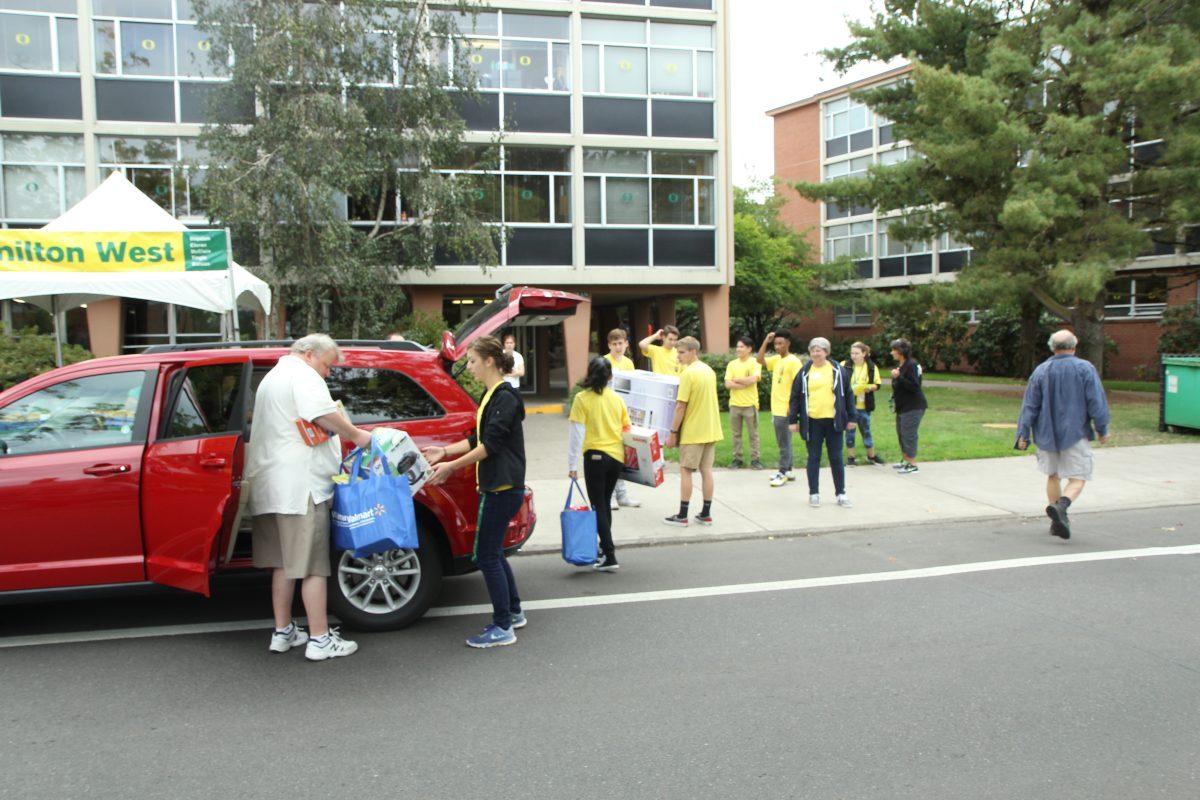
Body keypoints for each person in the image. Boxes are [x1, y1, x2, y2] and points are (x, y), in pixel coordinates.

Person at [246, 334, 373, 661]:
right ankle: (319, 639)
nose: (328, 373)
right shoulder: (302, 375)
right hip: (302, 487)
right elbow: (320, 413)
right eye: (327, 364)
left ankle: (283, 631)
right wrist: (357, 435)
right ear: (307, 353)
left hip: (270, 485)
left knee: (283, 563)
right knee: (314, 566)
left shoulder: (272, 378)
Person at [424, 336, 527, 648]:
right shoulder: (492, 394)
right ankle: (513, 612)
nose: (468, 367)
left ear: (490, 362)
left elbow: (490, 446)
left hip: (503, 486)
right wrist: (444, 452)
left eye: (471, 361)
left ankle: (502, 626)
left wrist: (452, 467)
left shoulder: (506, 398)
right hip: (498, 485)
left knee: (485, 555)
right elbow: (476, 438)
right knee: (492, 552)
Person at [1016, 330, 1111, 540]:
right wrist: (1102, 428)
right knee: (1078, 477)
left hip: (1045, 434)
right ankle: (1062, 506)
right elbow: (1096, 401)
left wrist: (1023, 433)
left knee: (1053, 475)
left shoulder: (1041, 371)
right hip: (1075, 433)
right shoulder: (1085, 369)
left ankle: (1057, 521)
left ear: (1053, 347)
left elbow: (1029, 406)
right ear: (1074, 346)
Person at [568, 357, 632, 571]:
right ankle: (605, 549)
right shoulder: (617, 399)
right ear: (610, 377)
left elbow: (576, 435)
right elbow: (627, 429)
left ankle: (610, 556)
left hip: (595, 457)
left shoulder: (581, 399)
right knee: (604, 503)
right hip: (616, 458)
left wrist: (572, 466)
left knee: (598, 506)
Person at [788, 337, 856, 508]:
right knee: (814, 457)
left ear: (826, 352)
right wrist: (793, 420)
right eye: (812, 350)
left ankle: (841, 493)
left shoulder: (839, 371)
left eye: (819, 350)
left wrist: (852, 417)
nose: (815, 353)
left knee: (836, 457)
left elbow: (848, 395)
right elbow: (795, 396)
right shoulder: (804, 372)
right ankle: (814, 493)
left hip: (834, 421)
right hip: (812, 422)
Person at [663, 337, 722, 527]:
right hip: (711, 429)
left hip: (694, 431)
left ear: (693, 351)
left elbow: (681, 406)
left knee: (686, 471)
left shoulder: (688, 374)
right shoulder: (708, 371)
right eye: (677, 352)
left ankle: (682, 515)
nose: (678, 356)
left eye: (681, 352)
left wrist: (673, 432)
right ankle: (706, 513)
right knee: (706, 471)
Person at [758, 330, 803, 487]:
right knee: (785, 440)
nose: (777, 347)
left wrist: (793, 407)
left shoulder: (794, 362)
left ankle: (783, 472)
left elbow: (799, 387)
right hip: (776, 408)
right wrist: (766, 341)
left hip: (785, 409)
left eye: (780, 343)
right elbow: (760, 360)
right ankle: (788, 470)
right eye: (775, 344)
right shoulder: (777, 359)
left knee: (783, 442)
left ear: (788, 344)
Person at [603, 328, 641, 510]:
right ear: (609, 345)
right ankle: (609, 495)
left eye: (621, 343)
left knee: (622, 457)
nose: (618, 347)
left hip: (623, 415)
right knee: (610, 456)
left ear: (626, 343)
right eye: (614, 344)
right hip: (607, 416)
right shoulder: (604, 362)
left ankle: (623, 495)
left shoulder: (628, 363)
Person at [889, 338, 928, 474]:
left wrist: (899, 377)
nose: (891, 353)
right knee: (901, 433)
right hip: (902, 406)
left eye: (893, 350)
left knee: (909, 434)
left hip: (913, 406)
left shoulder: (912, 365)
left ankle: (912, 464)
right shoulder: (902, 365)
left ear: (900, 351)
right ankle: (905, 460)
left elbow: (914, 386)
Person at [724, 335, 763, 469]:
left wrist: (737, 379)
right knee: (736, 435)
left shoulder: (755, 362)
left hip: (750, 405)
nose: (738, 349)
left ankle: (755, 460)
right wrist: (743, 382)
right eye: (738, 346)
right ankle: (737, 459)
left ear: (749, 349)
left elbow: (753, 379)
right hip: (735, 404)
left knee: (753, 434)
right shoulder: (732, 364)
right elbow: (728, 384)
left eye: (741, 347)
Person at [842, 341, 884, 466]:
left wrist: (868, 387)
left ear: (864, 354)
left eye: (857, 353)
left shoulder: (871, 367)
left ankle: (871, 456)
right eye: (852, 353)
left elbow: (877, 384)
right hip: (849, 406)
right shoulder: (844, 365)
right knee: (850, 432)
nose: (853, 356)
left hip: (864, 405)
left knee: (866, 430)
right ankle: (851, 458)